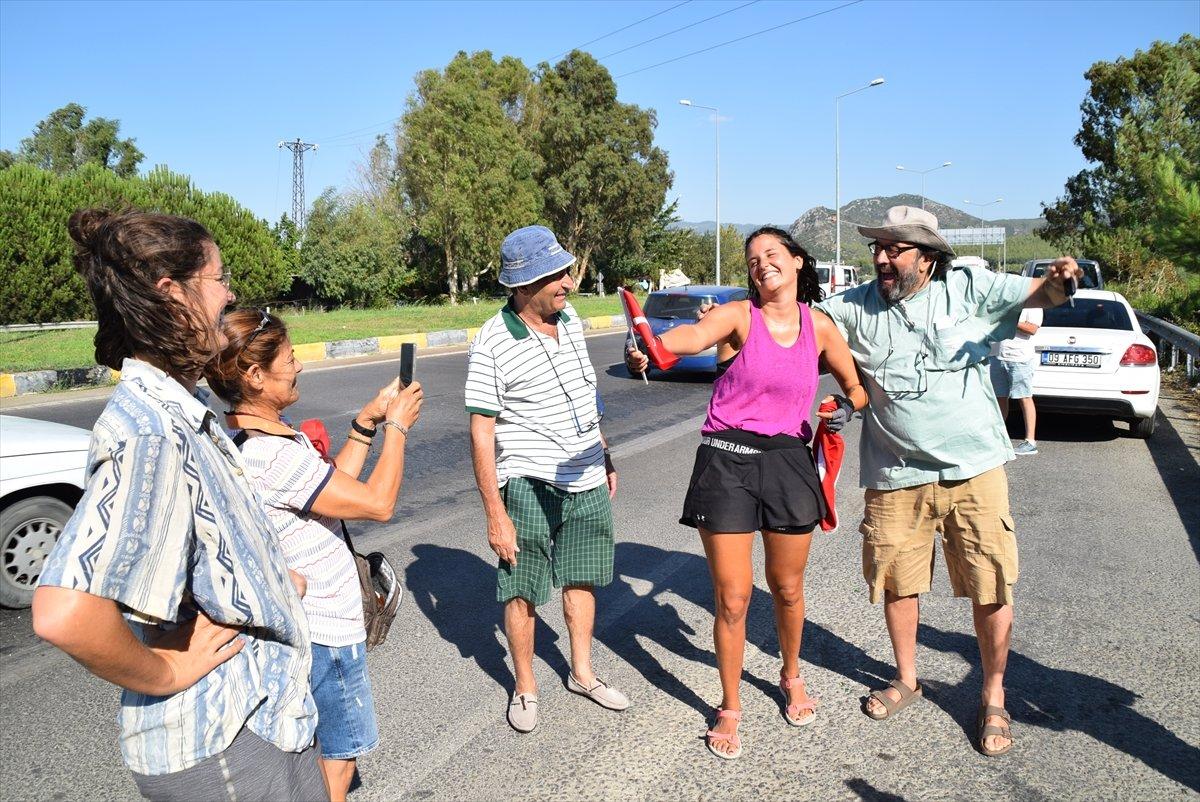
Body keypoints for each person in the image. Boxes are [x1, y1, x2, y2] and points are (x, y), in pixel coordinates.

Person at [32, 210, 327, 800]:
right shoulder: (153, 434)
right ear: (173, 296)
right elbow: (66, 613)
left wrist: (266, 581)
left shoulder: (176, 412)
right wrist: (169, 671)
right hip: (228, 744)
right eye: (218, 278)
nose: (231, 293)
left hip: (254, 728)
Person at [815, 206, 1082, 757]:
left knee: (990, 581)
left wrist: (1060, 282)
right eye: (879, 248)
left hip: (974, 471)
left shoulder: (968, 289)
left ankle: (993, 695)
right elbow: (795, 331)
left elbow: (1041, 295)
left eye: (896, 249)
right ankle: (908, 678)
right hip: (894, 473)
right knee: (896, 580)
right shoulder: (853, 306)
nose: (883, 258)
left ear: (928, 258)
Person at [625, 227, 868, 760]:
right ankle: (730, 704)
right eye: (753, 259)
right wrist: (653, 348)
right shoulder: (737, 316)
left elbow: (856, 387)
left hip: (787, 464)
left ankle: (790, 674)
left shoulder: (820, 327)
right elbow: (686, 339)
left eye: (772, 255)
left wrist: (843, 409)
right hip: (727, 463)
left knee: (786, 589)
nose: (761, 265)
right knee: (733, 598)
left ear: (799, 262)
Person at [205, 310, 423, 802]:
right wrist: (397, 429)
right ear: (256, 376)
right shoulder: (271, 456)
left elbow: (330, 492)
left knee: (319, 747)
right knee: (338, 758)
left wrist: (366, 423)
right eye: (289, 357)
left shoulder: (260, 437)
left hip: (310, 626)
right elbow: (376, 504)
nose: (299, 365)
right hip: (325, 630)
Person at [466, 225, 628, 734]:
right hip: (529, 484)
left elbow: (585, 393)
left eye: (564, 269)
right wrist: (496, 513)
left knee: (583, 578)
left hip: (585, 477)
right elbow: (481, 432)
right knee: (522, 588)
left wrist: (605, 455)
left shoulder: (571, 319)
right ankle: (525, 686)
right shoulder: (493, 342)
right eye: (554, 274)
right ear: (522, 284)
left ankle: (581, 673)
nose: (567, 281)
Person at [990, 307, 1043, 455]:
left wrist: (1010, 321)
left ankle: (1030, 441)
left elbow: (1032, 329)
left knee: (1024, 398)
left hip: (1020, 357)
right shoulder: (1006, 299)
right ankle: (997, 438)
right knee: (999, 399)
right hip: (998, 355)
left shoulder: (1033, 304)